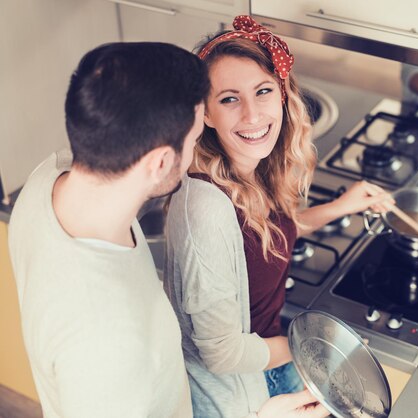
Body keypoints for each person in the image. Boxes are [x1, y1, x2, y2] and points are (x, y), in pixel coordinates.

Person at [8, 41, 327, 418]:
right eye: (194, 140)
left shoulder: (48, 179)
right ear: (160, 162)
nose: (197, 154)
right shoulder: (106, 343)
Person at [163, 16, 393, 418]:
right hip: (243, 385)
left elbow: (271, 233)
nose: (253, 115)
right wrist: (317, 346)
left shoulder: (254, 170)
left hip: (274, 357)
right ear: (207, 115)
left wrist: (340, 206)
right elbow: (222, 354)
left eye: (263, 91)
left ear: (283, 95)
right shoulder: (205, 206)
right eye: (230, 98)